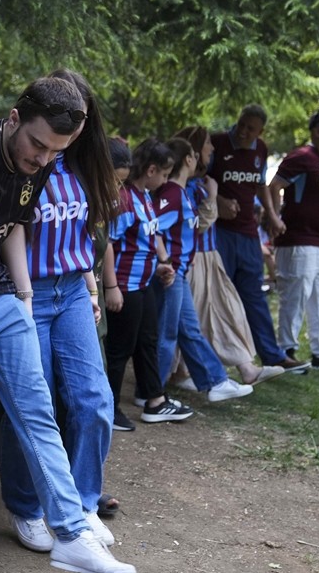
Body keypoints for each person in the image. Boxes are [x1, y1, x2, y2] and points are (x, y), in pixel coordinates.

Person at [0, 76, 137, 573]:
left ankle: (69, 531)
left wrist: (22, 295)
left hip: (3, 297)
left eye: (55, 152)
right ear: (14, 119)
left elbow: (15, 225)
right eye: (38, 145)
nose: (44, 159)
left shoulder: (37, 165)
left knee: (38, 410)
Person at [0, 68, 120, 553]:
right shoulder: (28, 158)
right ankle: (25, 506)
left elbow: (83, 234)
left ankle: (83, 504)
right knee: (32, 404)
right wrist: (21, 299)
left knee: (94, 399)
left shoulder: (82, 165)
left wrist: (90, 287)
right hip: (26, 292)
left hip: (71, 290)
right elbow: (11, 226)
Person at [171, 125, 280, 386]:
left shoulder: (200, 184)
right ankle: (178, 372)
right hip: (194, 259)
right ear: (195, 152)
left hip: (210, 256)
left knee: (228, 309)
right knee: (192, 318)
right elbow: (196, 224)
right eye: (208, 144)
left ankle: (246, 368)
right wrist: (215, 198)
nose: (213, 148)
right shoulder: (186, 188)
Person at [152, 136, 255, 400]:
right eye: (195, 155)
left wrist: (189, 253)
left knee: (189, 329)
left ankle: (215, 382)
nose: (199, 158)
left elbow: (185, 231)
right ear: (188, 159)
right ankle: (151, 391)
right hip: (171, 274)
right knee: (168, 333)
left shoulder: (181, 193)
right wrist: (164, 261)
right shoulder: (171, 194)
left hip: (180, 272)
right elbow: (153, 230)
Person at [208, 106, 306, 373]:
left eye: (251, 128)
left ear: (260, 132)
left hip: (248, 233)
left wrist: (273, 215)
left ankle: (272, 355)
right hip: (218, 232)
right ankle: (216, 360)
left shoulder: (260, 149)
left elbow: (261, 184)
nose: (243, 131)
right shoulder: (216, 144)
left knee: (254, 296)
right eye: (241, 124)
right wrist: (217, 200)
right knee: (219, 294)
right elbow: (195, 180)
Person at [104, 138, 194, 428]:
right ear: (151, 169)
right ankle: (110, 407)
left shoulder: (145, 197)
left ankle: (154, 400)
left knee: (147, 341)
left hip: (143, 284)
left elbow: (150, 238)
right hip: (124, 287)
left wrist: (162, 264)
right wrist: (111, 287)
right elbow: (109, 243)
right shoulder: (126, 198)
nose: (166, 180)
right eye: (165, 174)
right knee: (120, 349)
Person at [264, 109, 319, 370]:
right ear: (317, 131)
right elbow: (274, 186)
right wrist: (274, 216)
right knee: (295, 295)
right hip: (297, 239)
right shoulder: (301, 157)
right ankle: (286, 351)